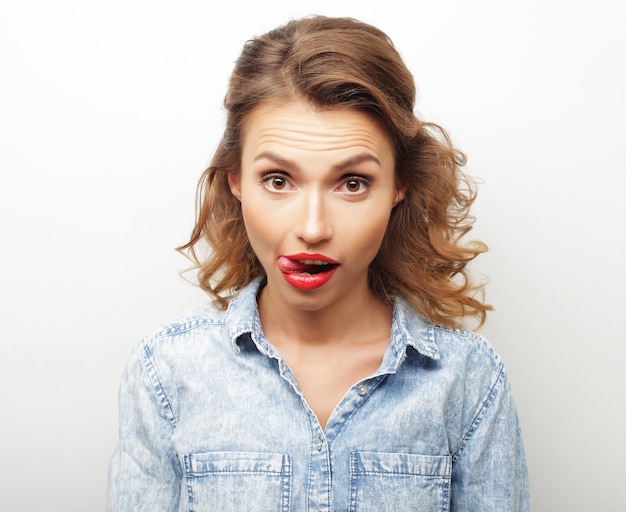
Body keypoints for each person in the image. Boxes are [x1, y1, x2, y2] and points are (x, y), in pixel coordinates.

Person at [107, 15, 529, 511]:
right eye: (278, 180)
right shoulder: (165, 371)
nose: (312, 227)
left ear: (399, 186)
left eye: (352, 182)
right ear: (235, 181)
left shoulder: (469, 380)